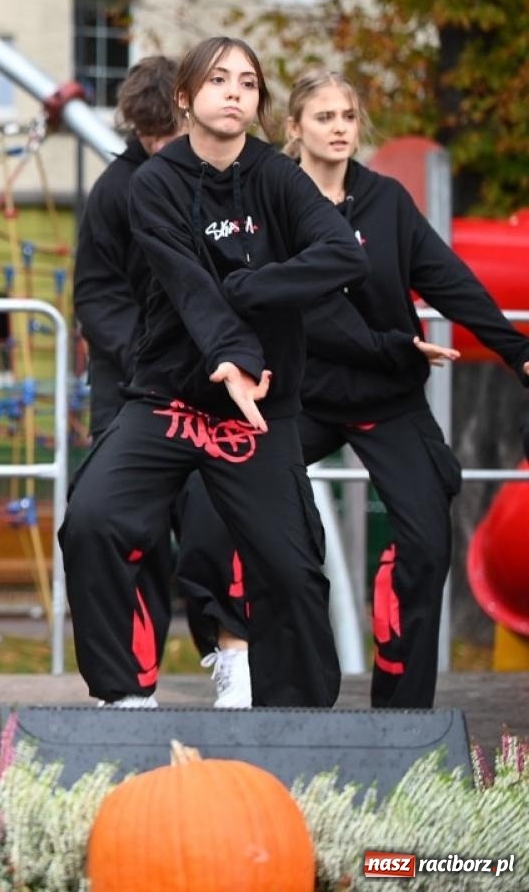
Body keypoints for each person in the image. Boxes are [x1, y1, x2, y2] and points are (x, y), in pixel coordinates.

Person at [178, 70, 529, 708]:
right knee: (213, 492)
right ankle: (240, 656)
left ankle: (401, 708)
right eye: (324, 117)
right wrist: (393, 345)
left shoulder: (387, 201)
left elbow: (447, 279)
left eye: (348, 117)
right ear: (294, 129)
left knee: (426, 540)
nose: (340, 128)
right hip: (300, 397)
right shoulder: (267, 205)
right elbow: (310, 311)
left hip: (385, 399)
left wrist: (517, 351)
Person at [59, 36, 367, 709]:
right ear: (184, 98)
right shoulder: (153, 185)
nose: (235, 91)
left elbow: (341, 253)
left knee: (290, 568)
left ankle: (303, 717)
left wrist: (255, 288)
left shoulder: (276, 177)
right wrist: (234, 352)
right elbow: (189, 284)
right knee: (92, 518)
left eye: (249, 83)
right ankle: (123, 696)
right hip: (170, 396)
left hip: (256, 411)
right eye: (220, 79)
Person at [71, 57, 252, 707]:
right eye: (148, 137)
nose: (158, 148)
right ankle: (132, 685)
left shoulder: (228, 184)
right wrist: (147, 356)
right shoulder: (115, 193)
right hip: (132, 392)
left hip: (212, 390)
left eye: (167, 135)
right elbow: (95, 294)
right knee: (126, 536)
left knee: (217, 525)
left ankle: (232, 652)